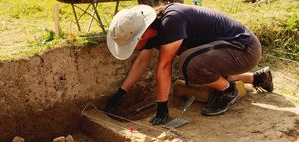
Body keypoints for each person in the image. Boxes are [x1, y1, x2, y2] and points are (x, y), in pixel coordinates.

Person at [105, 3, 273, 125]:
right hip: (228, 52)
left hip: (244, 49)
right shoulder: (153, 30)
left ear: (143, 34)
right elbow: (142, 62)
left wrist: (162, 108)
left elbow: (164, 66)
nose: (132, 48)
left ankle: (228, 91)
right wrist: (121, 92)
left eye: (132, 43)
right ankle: (257, 78)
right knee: (198, 65)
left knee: (189, 64)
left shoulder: (171, 21)